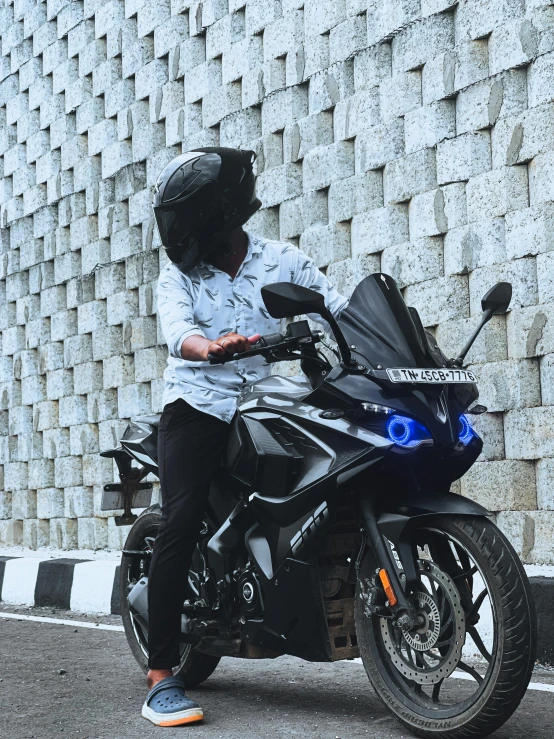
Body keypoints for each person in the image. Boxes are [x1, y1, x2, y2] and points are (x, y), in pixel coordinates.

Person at [141, 147, 348, 727]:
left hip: (264, 403)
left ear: (220, 216)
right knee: (179, 522)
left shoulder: (282, 260)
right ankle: (161, 676)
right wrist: (206, 347)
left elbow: (339, 311)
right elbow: (176, 329)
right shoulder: (179, 274)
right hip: (197, 406)